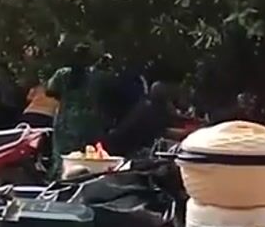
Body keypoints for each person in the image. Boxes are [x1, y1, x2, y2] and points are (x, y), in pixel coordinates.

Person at [46, 44, 109, 175]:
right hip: (89, 122)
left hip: (66, 121)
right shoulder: (96, 76)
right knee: (88, 158)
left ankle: (60, 179)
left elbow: (50, 91)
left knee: (62, 158)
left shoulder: (62, 75)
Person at [105, 80, 175, 158]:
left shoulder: (146, 106)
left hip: (122, 142)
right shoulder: (152, 112)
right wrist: (184, 134)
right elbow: (162, 132)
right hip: (127, 147)